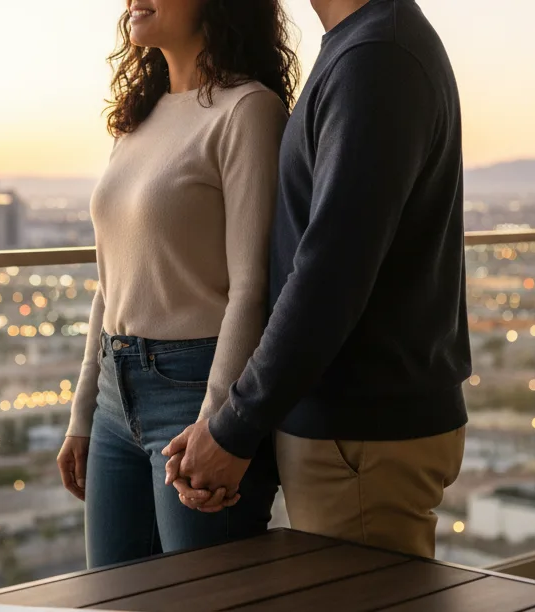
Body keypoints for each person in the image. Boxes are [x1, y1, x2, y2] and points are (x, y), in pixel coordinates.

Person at [163, 0, 470, 559]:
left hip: (360, 433)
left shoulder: (376, 55)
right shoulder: (364, 45)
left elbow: (330, 274)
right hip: (356, 430)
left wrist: (233, 426)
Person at [56, 0, 300, 568]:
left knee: (199, 594)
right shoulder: (140, 117)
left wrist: (219, 423)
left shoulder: (249, 112)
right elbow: (108, 285)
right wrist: (84, 412)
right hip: (116, 396)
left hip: (197, 390)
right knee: (112, 597)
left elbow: (251, 290)